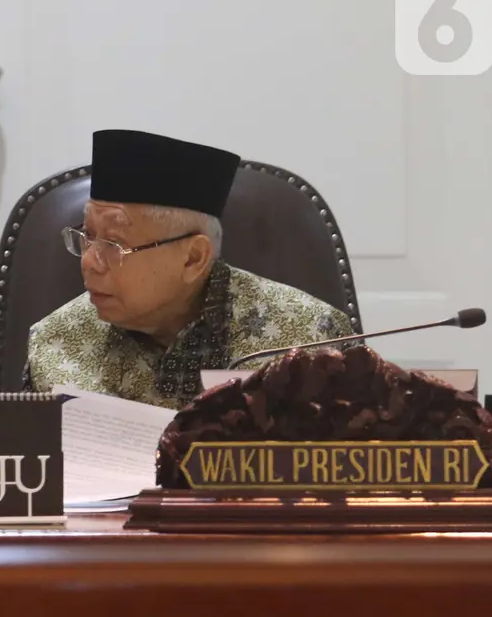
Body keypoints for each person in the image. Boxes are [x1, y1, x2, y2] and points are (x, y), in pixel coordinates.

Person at [24, 129, 353, 408]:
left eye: (114, 245)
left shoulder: (309, 341)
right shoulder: (56, 342)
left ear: (193, 258)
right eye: (87, 236)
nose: (89, 263)